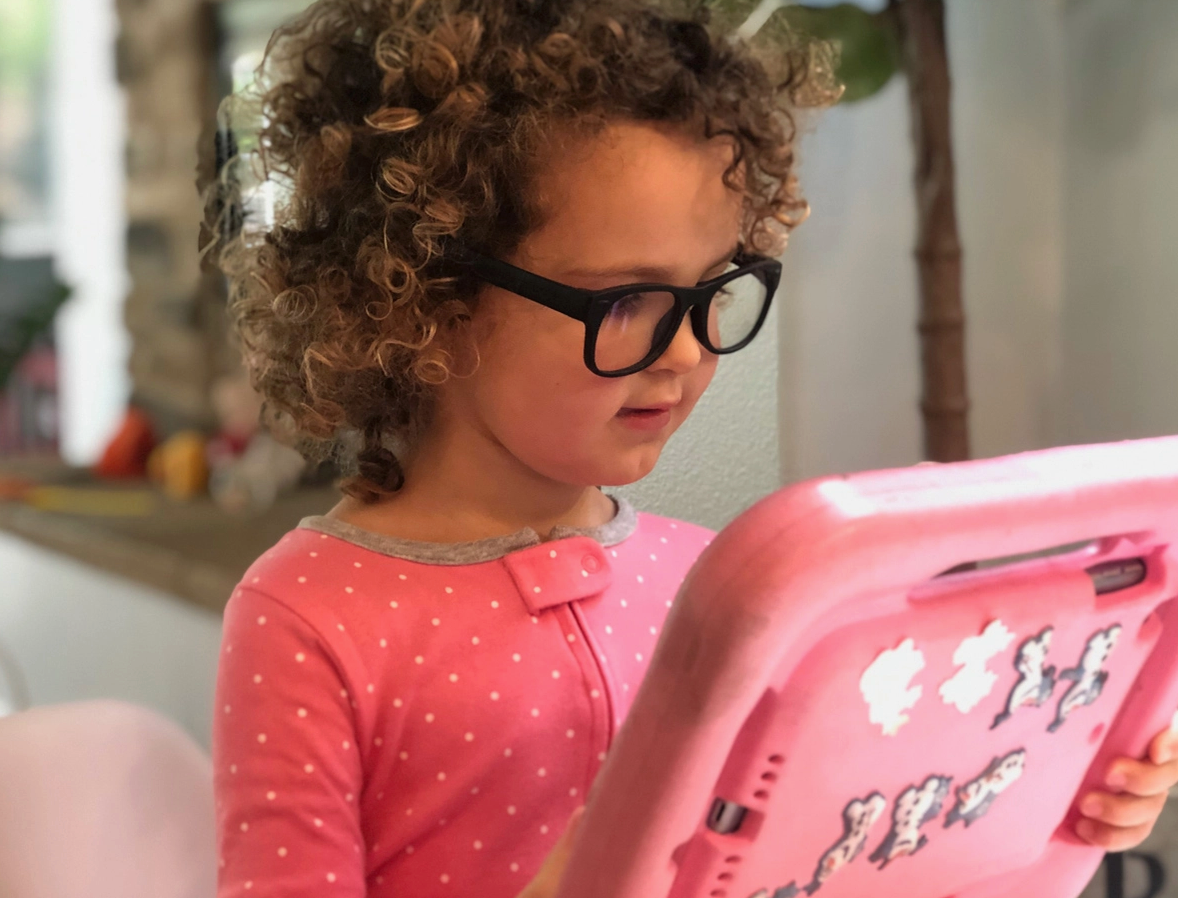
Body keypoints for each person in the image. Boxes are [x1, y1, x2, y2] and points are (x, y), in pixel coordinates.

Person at [200, 0, 1178, 895]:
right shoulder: (308, 620)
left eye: (714, 290)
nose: (686, 349)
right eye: (624, 301)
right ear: (423, 296)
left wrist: (1052, 799)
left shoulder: (716, 578)